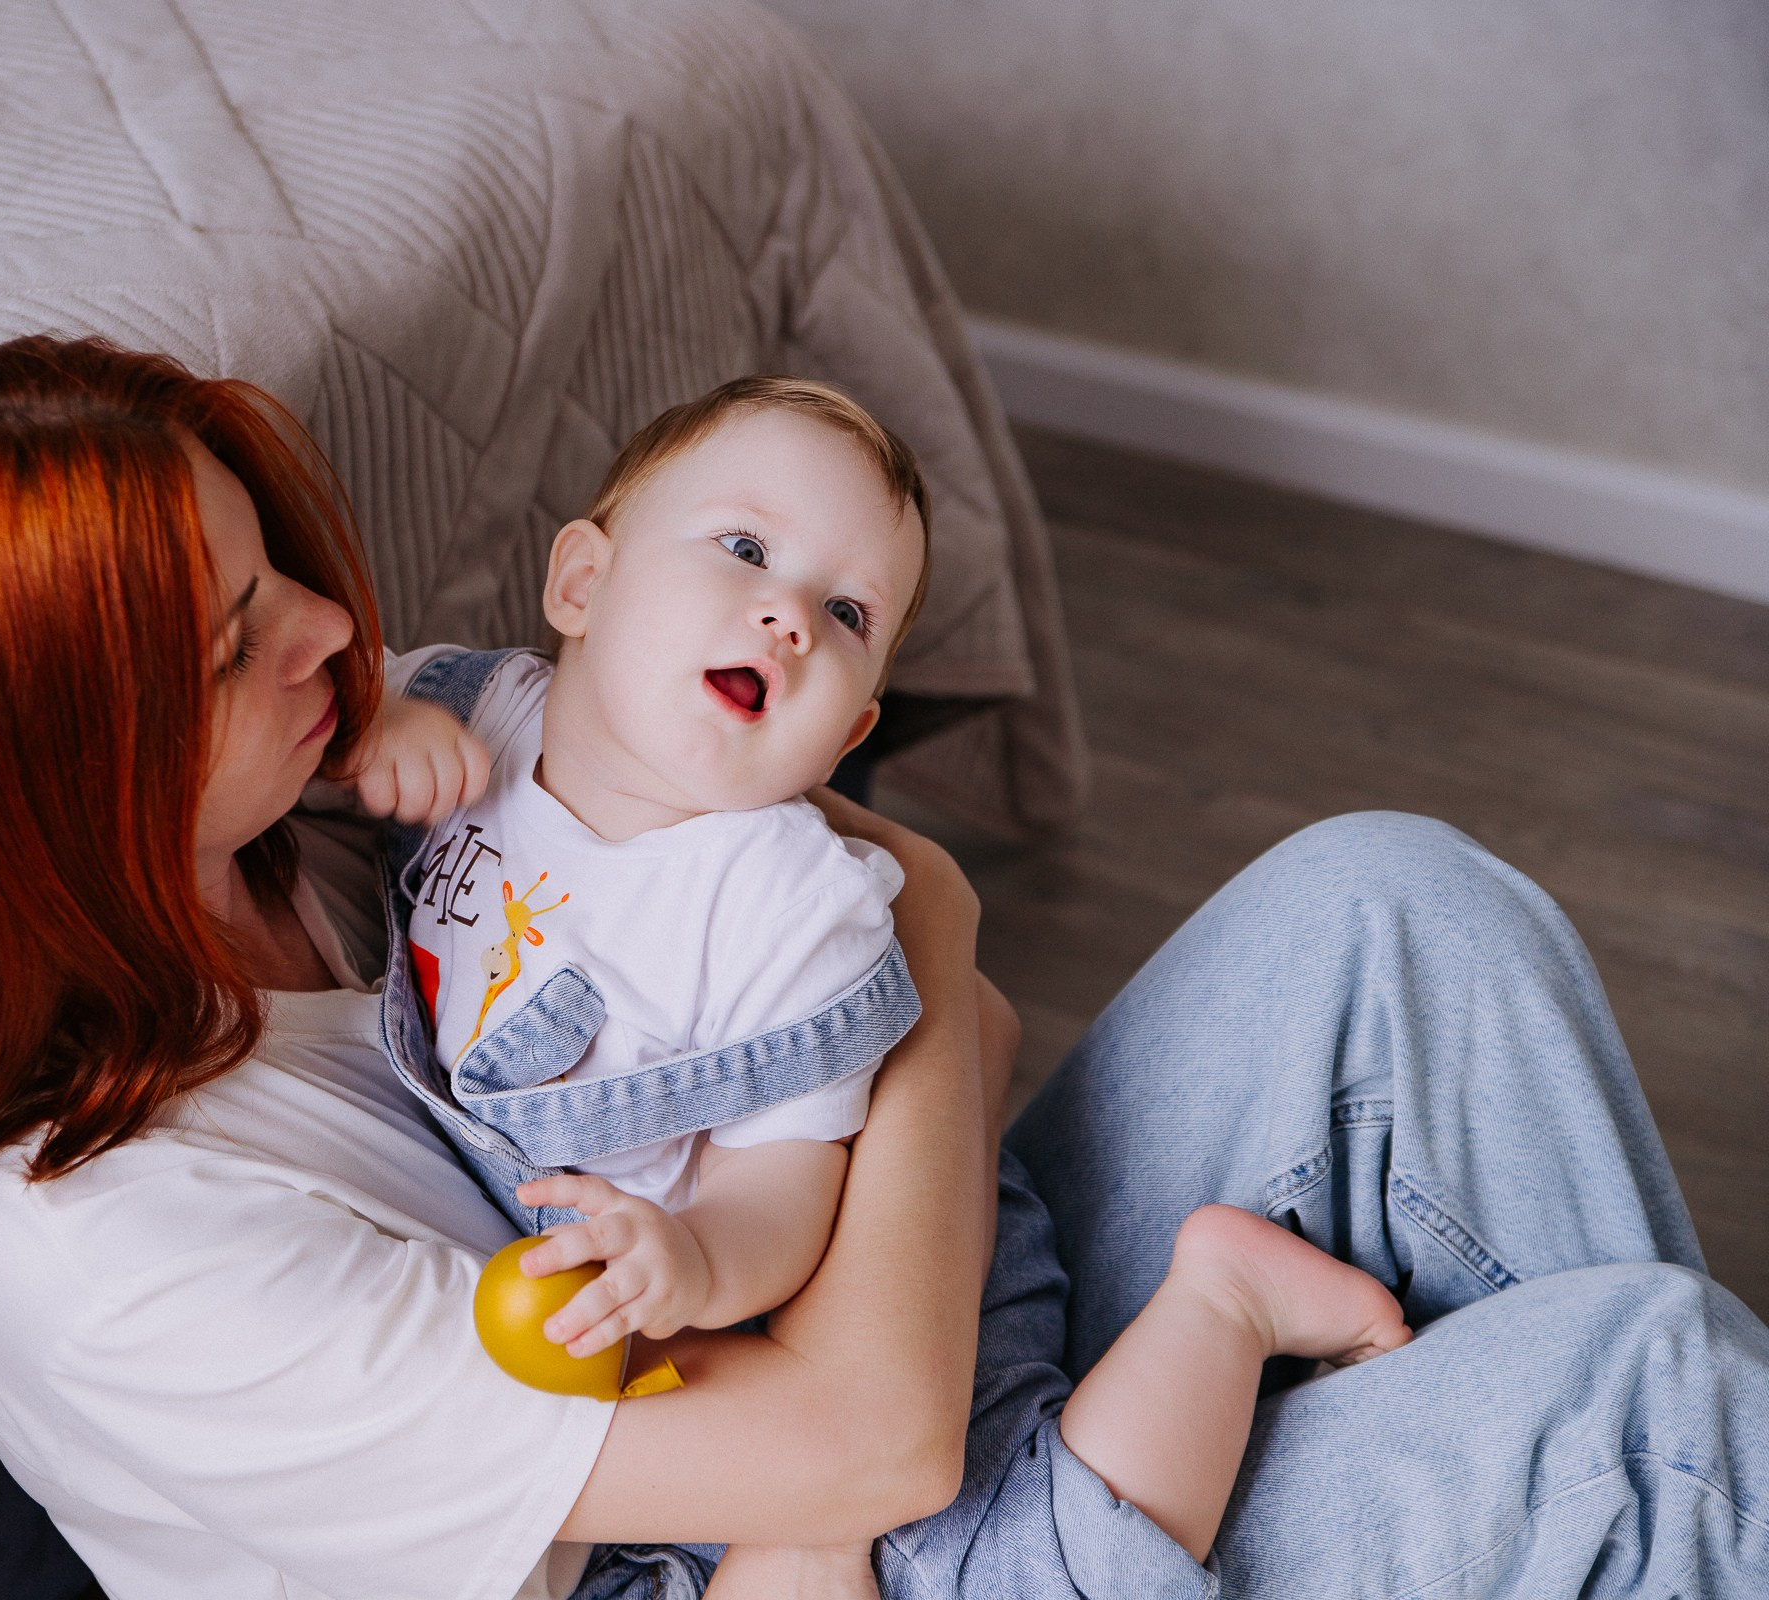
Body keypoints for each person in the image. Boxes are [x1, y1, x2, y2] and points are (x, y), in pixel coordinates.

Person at [0, 335, 1769, 1600]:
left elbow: (889, 995)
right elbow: (866, 1452)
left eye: (274, 573)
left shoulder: (316, 818)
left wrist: (879, 962)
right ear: (39, 788)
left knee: (1395, 907)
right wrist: (918, 926)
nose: (328, 628)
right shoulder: (117, 1255)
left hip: (823, 1352)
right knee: (1647, 1407)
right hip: (778, 1546)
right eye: (238, 642)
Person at [343, 375, 1411, 1590]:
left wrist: (694, 1259)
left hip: (875, 1271)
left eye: (846, 612)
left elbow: (783, 1192)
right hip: (685, 1366)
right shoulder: (470, 707)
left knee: (1032, 1564)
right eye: (745, 548)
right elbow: (299, 705)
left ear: (846, 737)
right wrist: (369, 725)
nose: (788, 616)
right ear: (582, 583)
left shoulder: (787, 902)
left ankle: (1225, 1301)